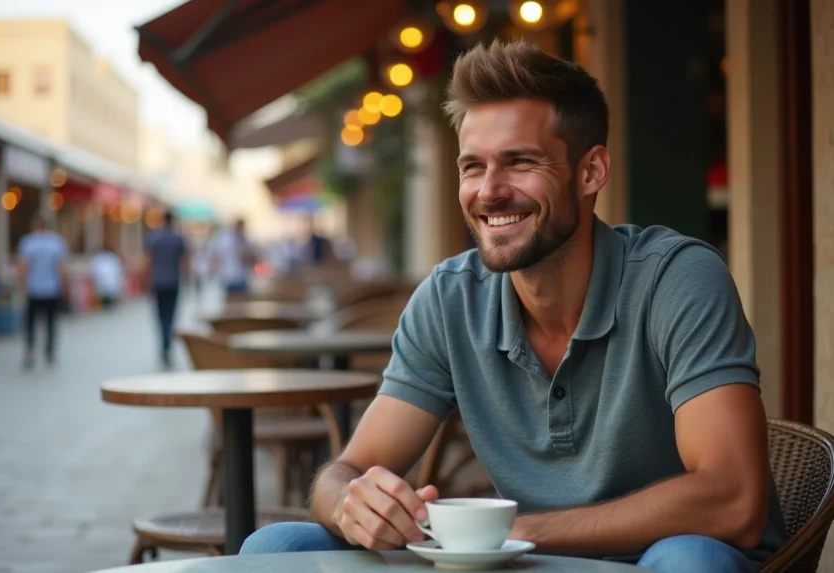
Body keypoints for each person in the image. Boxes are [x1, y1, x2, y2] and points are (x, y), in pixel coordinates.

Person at [239, 41, 785, 572]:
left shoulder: (675, 278)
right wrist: (351, 502)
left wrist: (512, 533)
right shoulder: (450, 298)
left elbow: (733, 499)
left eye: (520, 162)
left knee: (689, 560)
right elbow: (349, 469)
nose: (489, 191)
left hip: (652, 557)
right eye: (472, 167)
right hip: (524, 562)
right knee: (277, 545)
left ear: (591, 171)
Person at [17, 214, 69, 368]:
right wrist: (65, 286)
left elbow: (23, 267)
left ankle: (30, 350)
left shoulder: (28, 242)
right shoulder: (56, 242)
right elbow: (61, 268)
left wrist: (22, 287)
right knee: (51, 322)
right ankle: (49, 351)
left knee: (30, 323)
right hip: (51, 289)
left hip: (33, 289)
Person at [143, 210, 186, 367]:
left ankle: (164, 345)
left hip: (158, 282)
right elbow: (185, 261)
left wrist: (146, 282)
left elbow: (148, 261)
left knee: (160, 317)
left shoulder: (154, 237)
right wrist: (188, 280)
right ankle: (167, 346)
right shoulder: (177, 238)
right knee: (170, 316)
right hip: (173, 282)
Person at [210, 219, 256, 295]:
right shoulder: (225, 239)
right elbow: (216, 256)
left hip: (241, 277)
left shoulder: (243, 239)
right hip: (229, 277)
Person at [89, 243, 125, 309]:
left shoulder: (99, 259)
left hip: (106, 288)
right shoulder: (113, 258)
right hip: (109, 288)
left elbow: (93, 273)